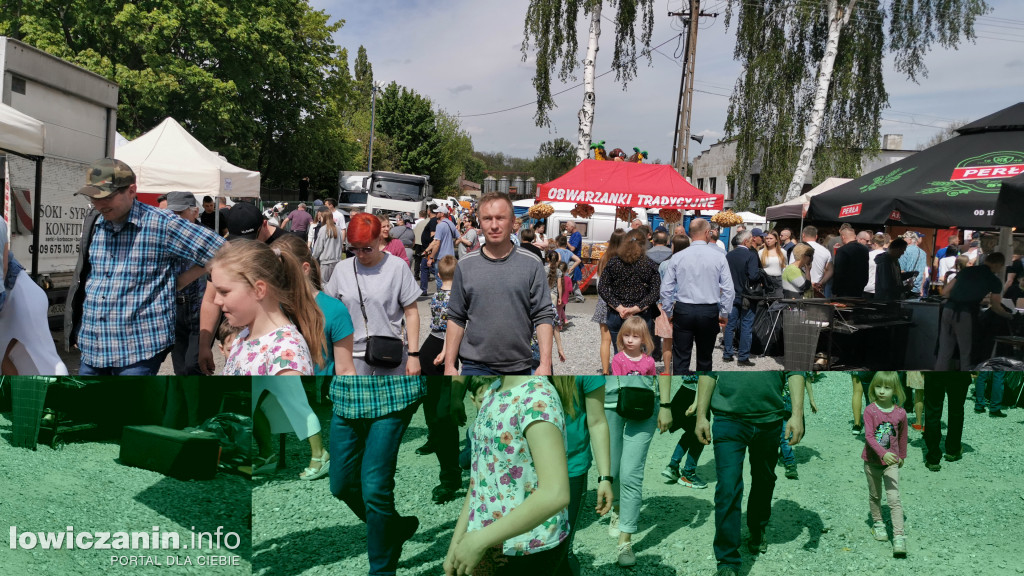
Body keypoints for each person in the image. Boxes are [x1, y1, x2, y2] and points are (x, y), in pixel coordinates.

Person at [64, 158, 226, 376]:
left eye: (107, 197)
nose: (99, 204)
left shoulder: (161, 223)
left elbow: (223, 251)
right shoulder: (95, 220)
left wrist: (182, 280)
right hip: (93, 348)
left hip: (137, 350)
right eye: (93, 197)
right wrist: (78, 329)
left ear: (132, 190)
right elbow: (85, 276)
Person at [207, 239, 330, 480]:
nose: (215, 301)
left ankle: (319, 455)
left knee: (297, 406)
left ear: (259, 290)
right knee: (255, 407)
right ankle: (266, 454)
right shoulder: (244, 335)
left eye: (224, 292)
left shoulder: (287, 350)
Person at [443, 376, 570, 576]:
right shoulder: (493, 392)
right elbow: (480, 480)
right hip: (486, 541)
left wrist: (479, 540)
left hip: (528, 547)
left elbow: (555, 493)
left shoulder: (537, 396)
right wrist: (457, 543)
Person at [695, 371, 805, 576]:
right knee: (728, 486)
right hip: (728, 418)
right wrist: (701, 416)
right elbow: (707, 369)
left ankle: (757, 527)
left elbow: (795, 370)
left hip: (770, 420)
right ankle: (727, 561)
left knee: (764, 479)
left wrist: (797, 415)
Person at [444, 192, 554, 376]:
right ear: (480, 222)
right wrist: (449, 366)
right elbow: (456, 317)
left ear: (512, 222)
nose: (494, 225)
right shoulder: (465, 265)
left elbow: (543, 314)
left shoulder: (531, 264)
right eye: (487, 219)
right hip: (474, 366)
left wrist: (545, 364)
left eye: (500, 218)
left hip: (519, 366)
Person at [324, 213, 422, 376]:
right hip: (350, 358)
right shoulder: (342, 269)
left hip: (389, 356)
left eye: (367, 249)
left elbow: (412, 314)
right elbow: (328, 310)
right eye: (354, 248)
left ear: (379, 239)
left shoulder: (397, 268)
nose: (360, 254)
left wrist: (414, 355)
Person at [604, 366, 672, 567]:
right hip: (608, 400)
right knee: (611, 470)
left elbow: (667, 366)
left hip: (645, 400)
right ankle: (618, 508)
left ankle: (625, 541)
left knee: (631, 473)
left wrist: (666, 405)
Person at [270, 234, 356, 378]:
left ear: (305, 269)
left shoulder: (334, 310)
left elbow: (346, 370)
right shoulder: (268, 305)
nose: (278, 278)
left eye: (285, 272)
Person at [551, 375, 612, 576]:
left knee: (562, 549)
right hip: (524, 470)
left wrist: (605, 478)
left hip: (571, 469)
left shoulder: (584, 375)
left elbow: (597, 421)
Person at [660, 218, 734, 373]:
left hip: (684, 309)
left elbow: (666, 288)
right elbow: (728, 289)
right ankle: (703, 394)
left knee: (681, 357)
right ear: (707, 233)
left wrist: (668, 311)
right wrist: (724, 312)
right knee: (705, 358)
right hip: (708, 311)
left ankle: (680, 393)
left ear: (689, 233)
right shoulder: (719, 256)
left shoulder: (678, 256)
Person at [0, 218, 69, 375]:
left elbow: (2, 271)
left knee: (46, 360)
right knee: (8, 356)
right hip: (14, 293)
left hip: (18, 296)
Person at [935, 251, 1014, 370]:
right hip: (965, 314)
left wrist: (963, 296)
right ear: (998, 265)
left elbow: (945, 291)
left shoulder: (966, 270)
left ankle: (936, 383)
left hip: (948, 310)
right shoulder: (994, 280)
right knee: (966, 353)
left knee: (944, 351)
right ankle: (967, 385)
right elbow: (996, 307)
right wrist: (1009, 316)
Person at [861, 372, 908, 558]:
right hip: (872, 461)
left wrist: (902, 455)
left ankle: (898, 536)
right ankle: (878, 523)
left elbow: (903, 436)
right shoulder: (870, 410)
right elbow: (869, 436)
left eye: (887, 387)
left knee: (894, 498)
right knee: (875, 495)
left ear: (895, 389)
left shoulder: (900, 413)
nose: (881, 391)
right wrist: (883, 453)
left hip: (892, 463)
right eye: (878, 387)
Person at [598, 229, 661, 357]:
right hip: (641, 315)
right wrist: (636, 308)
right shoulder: (649, 264)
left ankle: (621, 376)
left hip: (617, 313)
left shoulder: (613, 262)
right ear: (644, 245)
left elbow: (602, 288)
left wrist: (619, 307)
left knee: (619, 353)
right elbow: (656, 291)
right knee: (641, 355)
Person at [661, 375, 708, 489]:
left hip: (684, 390)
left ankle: (673, 466)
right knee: (701, 434)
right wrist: (697, 403)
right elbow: (705, 376)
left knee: (692, 431)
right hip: (698, 393)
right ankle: (688, 473)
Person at [723, 231, 760, 366]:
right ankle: (743, 357)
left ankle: (727, 354)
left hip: (731, 295)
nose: (752, 242)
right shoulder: (751, 255)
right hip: (747, 296)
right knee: (746, 325)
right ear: (745, 242)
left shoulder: (729, 255)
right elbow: (753, 276)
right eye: (751, 240)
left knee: (730, 325)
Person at [923, 371, 971, 472]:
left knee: (932, 411)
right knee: (956, 410)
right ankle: (953, 450)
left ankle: (933, 458)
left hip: (935, 367)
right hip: (959, 368)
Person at [593, 230, 626, 375]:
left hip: (603, 301)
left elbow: (599, 283)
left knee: (605, 340)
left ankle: (606, 370)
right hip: (622, 303)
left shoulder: (604, 258)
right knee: (624, 340)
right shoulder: (625, 259)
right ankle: (622, 369)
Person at [823, 225, 870, 297]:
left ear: (843, 237)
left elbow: (839, 271)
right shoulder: (865, 249)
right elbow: (865, 268)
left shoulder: (842, 250)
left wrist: (835, 289)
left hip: (844, 289)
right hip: (860, 287)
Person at [311, 209, 344, 283]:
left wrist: (313, 258)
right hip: (337, 260)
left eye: (321, 217)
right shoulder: (338, 229)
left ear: (324, 218)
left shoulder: (323, 229)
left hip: (326, 262)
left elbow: (318, 246)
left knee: (323, 284)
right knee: (334, 284)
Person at [547, 254, 569, 363]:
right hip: (554, 295)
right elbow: (560, 286)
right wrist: (560, 297)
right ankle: (552, 331)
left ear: (547, 259)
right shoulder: (559, 272)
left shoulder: (543, 269)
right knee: (553, 317)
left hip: (545, 295)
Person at [898, 231, 928, 298]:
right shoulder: (923, 253)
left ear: (909, 240)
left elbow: (900, 270)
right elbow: (923, 273)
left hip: (905, 288)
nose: (902, 240)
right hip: (917, 288)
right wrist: (921, 289)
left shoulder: (904, 251)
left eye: (904, 238)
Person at [564, 221, 585, 302]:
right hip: (572, 259)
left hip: (574, 260)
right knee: (572, 280)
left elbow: (572, 248)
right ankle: (579, 297)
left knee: (567, 277)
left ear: (572, 227)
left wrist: (566, 241)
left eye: (567, 226)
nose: (566, 228)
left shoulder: (577, 235)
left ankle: (563, 295)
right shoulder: (573, 235)